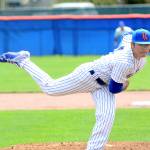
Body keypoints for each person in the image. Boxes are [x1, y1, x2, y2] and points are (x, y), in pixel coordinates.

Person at [0, 28, 150, 150]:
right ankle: (23, 60)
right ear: (133, 45)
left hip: (103, 84)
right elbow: (114, 88)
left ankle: (95, 148)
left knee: (106, 116)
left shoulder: (135, 50)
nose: (145, 48)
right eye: (141, 45)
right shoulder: (124, 61)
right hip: (88, 76)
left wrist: (128, 33)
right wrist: (126, 84)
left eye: (147, 44)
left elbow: (127, 34)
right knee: (50, 88)